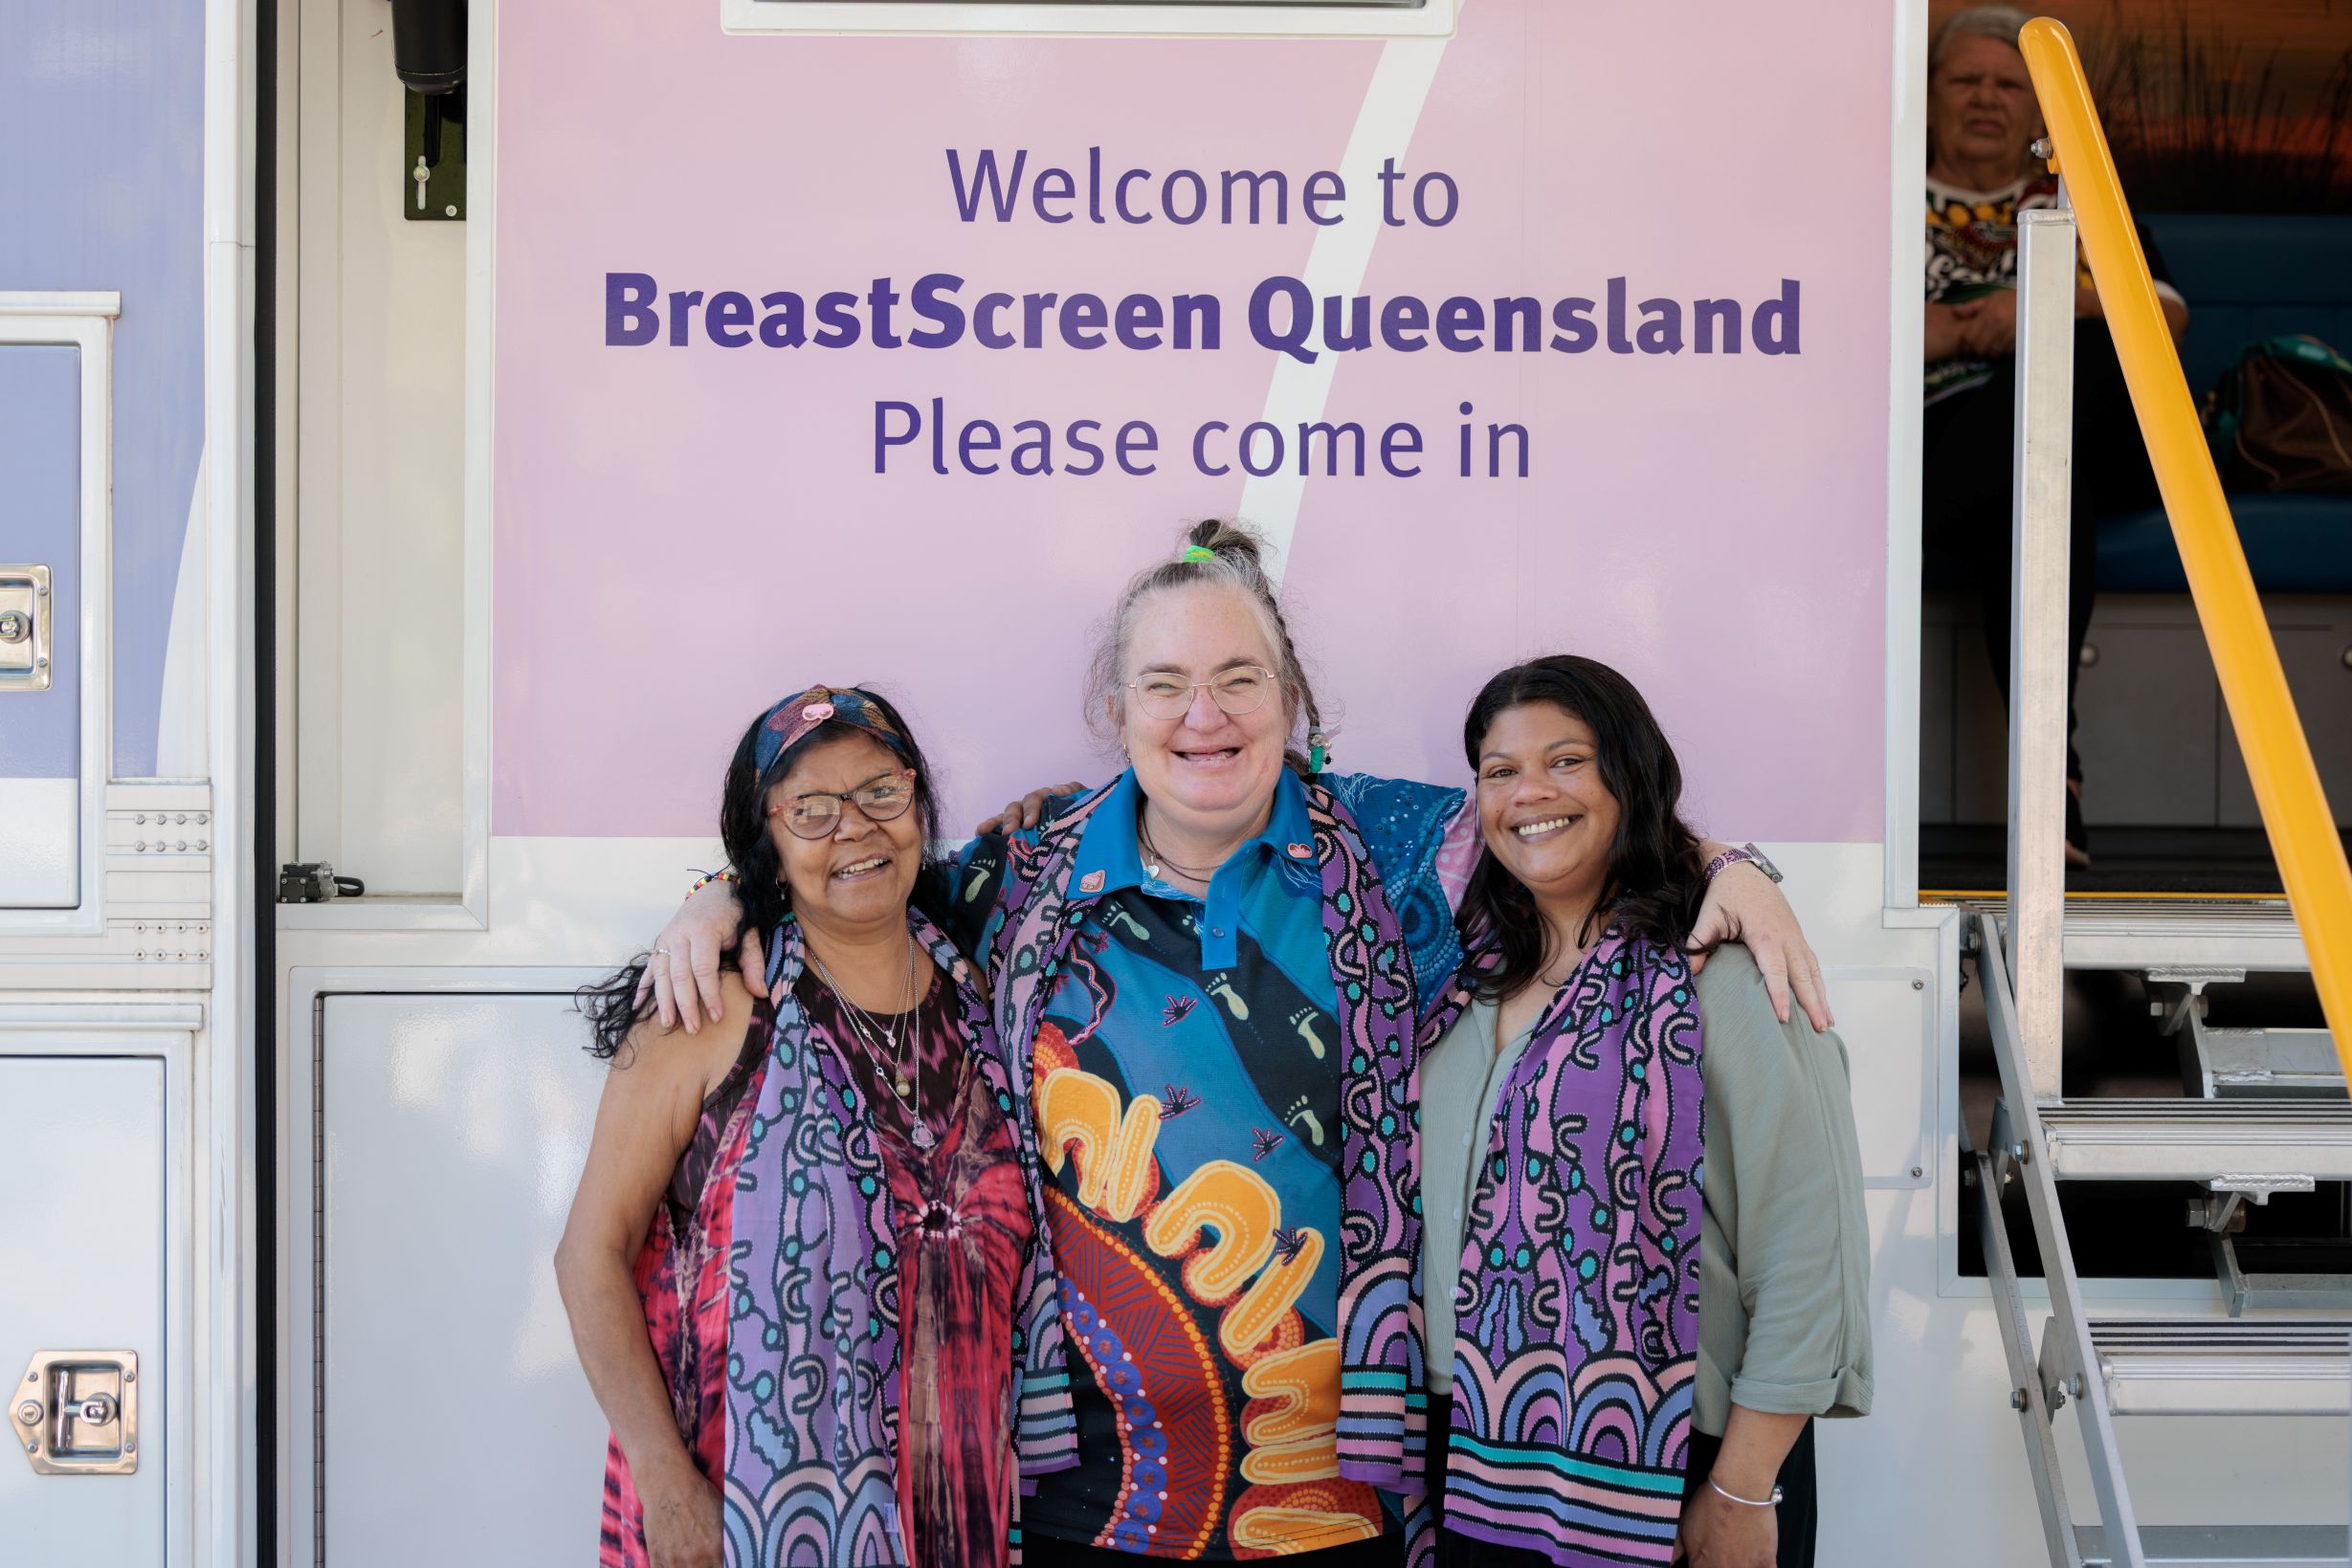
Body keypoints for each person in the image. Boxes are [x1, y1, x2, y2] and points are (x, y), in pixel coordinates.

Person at [641, 521, 1831, 1565]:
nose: (1201, 715)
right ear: (1116, 710)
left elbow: (1568, 823)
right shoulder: (1023, 871)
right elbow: (854, 877)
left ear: (1291, 699)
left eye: (1237, 679)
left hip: (1339, 1494)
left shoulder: (1403, 850)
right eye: (1164, 683)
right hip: (1083, 1494)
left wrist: (1733, 868)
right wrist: (721, 895)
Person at [554, 686, 1073, 1568]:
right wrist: (665, 1482)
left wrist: (1055, 806)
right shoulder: (713, 1008)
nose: (857, 829)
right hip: (736, 1519)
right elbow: (588, 1255)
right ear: (767, 840)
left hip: (958, 1519)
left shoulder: (990, 989)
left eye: (881, 791)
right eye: (811, 809)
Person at [1418, 655, 1871, 1568]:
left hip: (1676, 1464)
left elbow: (1808, 1249)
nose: (1529, 792)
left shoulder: (1726, 972)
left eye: (1567, 760)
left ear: (1629, 772)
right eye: (1500, 770)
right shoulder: (1453, 972)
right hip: (1471, 1458)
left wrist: (1743, 1490)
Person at [1919, 4, 2189, 866]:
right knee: (2038, 480)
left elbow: (2167, 311)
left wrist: (2039, 305)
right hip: (1943, 442)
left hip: (2077, 433)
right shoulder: (1888, 199)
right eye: (1966, 80)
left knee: (2086, 361)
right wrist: (1964, 332)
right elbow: (1823, 322)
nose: (1988, 99)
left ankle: (2049, 785)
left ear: (2040, 111)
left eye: (2009, 84)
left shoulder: (2076, 194)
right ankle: (2053, 792)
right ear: (1928, 96)